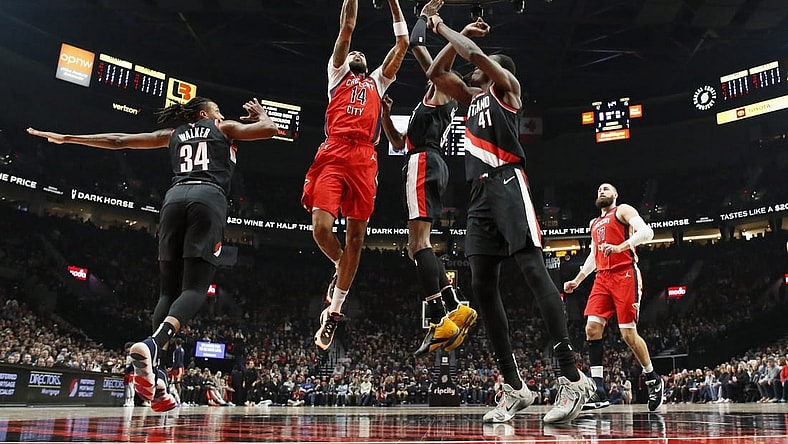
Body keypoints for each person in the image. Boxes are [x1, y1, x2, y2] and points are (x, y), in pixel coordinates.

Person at [27, 96, 278, 412]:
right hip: (207, 198)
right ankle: (152, 345)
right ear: (204, 114)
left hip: (173, 200)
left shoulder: (171, 135)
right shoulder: (223, 127)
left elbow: (119, 141)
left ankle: (156, 376)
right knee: (195, 288)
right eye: (217, 109)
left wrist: (68, 138)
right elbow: (268, 131)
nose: (222, 113)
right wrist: (261, 115)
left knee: (168, 290)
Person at [424, 9, 596, 423]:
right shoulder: (470, 98)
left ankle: (573, 378)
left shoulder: (507, 89)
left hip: (507, 181)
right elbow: (435, 72)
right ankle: (515, 386)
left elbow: (473, 56)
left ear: (496, 71)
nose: (479, 66)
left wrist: (448, 29)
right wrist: (454, 35)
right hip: (478, 195)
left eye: (485, 62)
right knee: (482, 287)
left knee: (535, 272)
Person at [302, 0, 409, 351]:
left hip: (364, 157)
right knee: (320, 228)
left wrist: (393, 4)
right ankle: (340, 267)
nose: (357, 53)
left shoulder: (378, 82)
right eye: (354, 53)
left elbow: (402, 44)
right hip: (333, 152)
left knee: (357, 239)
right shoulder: (336, 75)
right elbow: (347, 25)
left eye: (362, 53)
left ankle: (333, 312)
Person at [379, 0, 478, 357]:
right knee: (416, 244)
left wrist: (427, 18)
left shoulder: (442, 94)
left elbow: (426, 54)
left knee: (418, 244)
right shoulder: (431, 107)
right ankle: (456, 305)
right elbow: (394, 142)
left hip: (423, 164)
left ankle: (440, 316)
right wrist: (386, 117)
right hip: (426, 162)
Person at [563, 183, 664, 412]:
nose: (601, 191)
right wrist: (578, 280)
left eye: (606, 189)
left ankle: (652, 378)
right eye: (598, 189)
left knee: (628, 333)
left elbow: (647, 233)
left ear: (615, 195)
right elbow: (593, 254)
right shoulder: (594, 223)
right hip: (602, 277)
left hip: (625, 273)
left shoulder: (623, 210)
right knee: (591, 328)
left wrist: (620, 247)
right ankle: (598, 389)